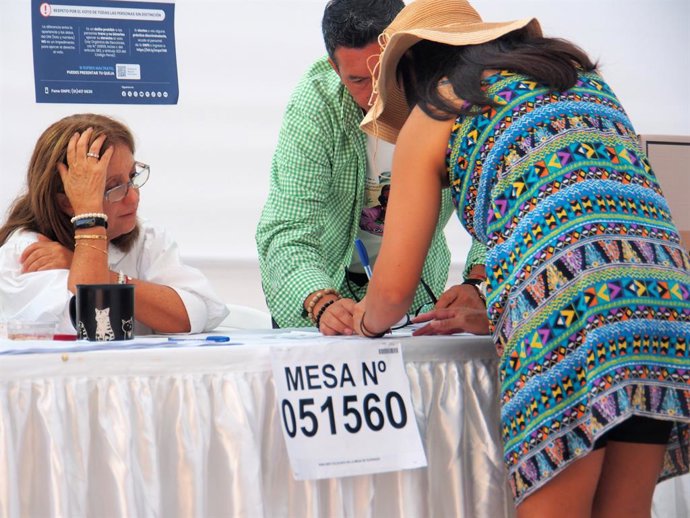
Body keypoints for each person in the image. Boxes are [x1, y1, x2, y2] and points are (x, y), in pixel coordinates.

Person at [353, 0, 690, 515]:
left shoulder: (438, 109)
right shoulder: (576, 78)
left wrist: (363, 321)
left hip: (568, 311)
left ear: (414, 74)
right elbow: (588, 217)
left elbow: (393, 292)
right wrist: (499, 313)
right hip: (661, 298)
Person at [255, 0, 487, 334]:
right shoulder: (316, 105)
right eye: (359, 80)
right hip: (325, 285)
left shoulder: (451, 98)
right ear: (335, 70)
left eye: (386, 72)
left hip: (417, 294)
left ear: (408, 53)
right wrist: (319, 301)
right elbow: (287, 227)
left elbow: (497, 208)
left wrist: (477, 283)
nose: (377, 92)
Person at [0, 113, 228, 335]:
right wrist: (89, 217)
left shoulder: (144, 237)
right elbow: (93, 326)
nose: (133, 197)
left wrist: (106, 275)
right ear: (68, 202)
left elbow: (195, 313)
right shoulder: (25, 254)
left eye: (132, 177)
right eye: (113, 187)